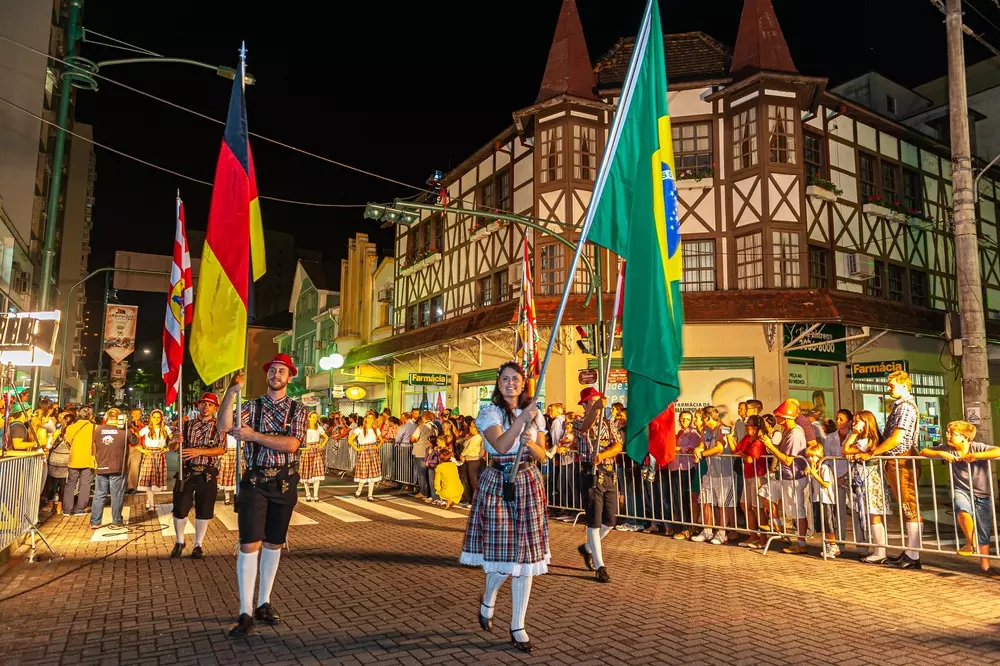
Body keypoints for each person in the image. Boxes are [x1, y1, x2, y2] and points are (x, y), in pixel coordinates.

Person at [217, 354, 308, 638]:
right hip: (255, 480)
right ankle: (245, 611)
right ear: (267, 374)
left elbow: (291, 444)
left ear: (289, 377)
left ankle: (263, 603)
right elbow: (223, 426)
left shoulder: (298, 409)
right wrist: (231, 392)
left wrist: (253, 435)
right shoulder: (251, 405)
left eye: (282, 370)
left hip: (283, 481)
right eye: (272, 370)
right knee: (249, 544)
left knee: (274, 543)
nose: (276, 374)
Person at [461, 361, 548, 654]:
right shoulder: (490, 413)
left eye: (516, 379)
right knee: (504, 555)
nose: (511, 383)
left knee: (525, 560)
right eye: (506, 379)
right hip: (499, 482)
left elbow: (543, 455)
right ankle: (489, 596)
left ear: (523, 384)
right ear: (499, 385)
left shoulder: (536, 415)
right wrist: (522, 420)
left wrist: (531, 442)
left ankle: (517, 625)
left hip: (527, 481)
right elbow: (499, 445)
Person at [920, 420, 1000, 576]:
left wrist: (976, 456)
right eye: (948, 433)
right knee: (961, 507)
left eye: (952, 434)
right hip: (960, 489)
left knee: (983, 529)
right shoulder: (947, 449)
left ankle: (985, 566)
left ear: (964, 437)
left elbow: (998, 451)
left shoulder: (977, 447)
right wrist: (941, 453)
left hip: (982, 493)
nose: (948, 436)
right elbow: (923, 451)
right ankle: (970, 544)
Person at [866, 370, 922, 570]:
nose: (889, 388)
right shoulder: (900, 406)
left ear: (905, 385)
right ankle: (910, 552)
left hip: (902, 459)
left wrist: (874, 452)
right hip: (897, 459)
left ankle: (913, 554)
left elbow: (897, 438)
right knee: (906, 505)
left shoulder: (905, 407)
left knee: (909, 505)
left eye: (892, 385)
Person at [170, 393, 226, 559]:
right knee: (180, 508)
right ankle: (180, 541)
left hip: (207, 473)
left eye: (210, 404)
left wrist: (197, 451)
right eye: (203, 403)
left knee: (204, 509)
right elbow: (172, 447)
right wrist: (175, 440)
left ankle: (198, 545)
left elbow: (221, 449)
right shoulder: (186, 426)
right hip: (186, 472)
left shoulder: (218, 427)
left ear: (215, 408)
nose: (205, 407)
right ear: (198, 406)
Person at [574, 387, 622, 584]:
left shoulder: (609, 423)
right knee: (593, 521)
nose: (593, 405)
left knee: (609, 522)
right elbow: (585, 426)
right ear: (584, 405)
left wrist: (602, 455)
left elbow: (618, 445)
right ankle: (601, 566)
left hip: (608, 472)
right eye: (590, 402)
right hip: (590, 474)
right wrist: (595, 410)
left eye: (595, 401)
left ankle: (587, 547)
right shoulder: (578, 422)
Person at [90, 408, 134, 530]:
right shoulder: (124, 430)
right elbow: (134, 441)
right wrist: (128, 426)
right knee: (117, 495)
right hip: (118, 467)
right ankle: (116, 520)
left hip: (102, 465)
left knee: (99, 494)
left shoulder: (98, 429)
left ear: (106, 417)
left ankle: (95, 521)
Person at [136, 410, 172, 511]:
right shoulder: (146, 429)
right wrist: (142, 449)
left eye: (158, 417)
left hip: (160, 455)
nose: (156, 419)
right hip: (149, 454)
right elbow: (133, 438)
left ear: (161, 418)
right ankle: (151, 504)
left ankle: (149, 500)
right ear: (151, 418)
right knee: (148, 481)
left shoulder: (165, 428)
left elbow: (174, 441)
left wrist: (167, 448)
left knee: (156, 482)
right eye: (154, 417)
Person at [349, 413, 382, 501]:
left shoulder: (376, 429)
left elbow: (382, 440)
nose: (371, 419)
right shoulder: (359, 429)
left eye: (372, 418)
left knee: (372, 474)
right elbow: (350, 440)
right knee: (363, 473)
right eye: (369, 418)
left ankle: (370, 494)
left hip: (373, 452)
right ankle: (359, 490)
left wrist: (377, 446)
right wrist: (357, 448)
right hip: (364, 452)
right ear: (366, 419)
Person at [300, 412, 329, 502]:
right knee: (306, 473)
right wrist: (302, 448)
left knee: (317, 472)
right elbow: (298, 439)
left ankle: (316, 494)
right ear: (309, 418)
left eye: (316, 417)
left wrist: (322, 444)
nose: (315, 419)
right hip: (307, 450)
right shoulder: (304, 428)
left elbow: (326, 437)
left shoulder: (318, 427)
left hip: (316, 450)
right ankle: (308, 494)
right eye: (313, 417)